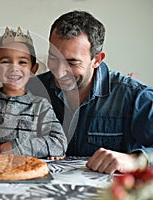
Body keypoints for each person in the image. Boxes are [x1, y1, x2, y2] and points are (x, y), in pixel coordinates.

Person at [29, 10, 153, 174]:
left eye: (72, 63)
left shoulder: (134, 96)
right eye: (53, 58)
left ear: (97, 60)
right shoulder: (30, 90)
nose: (59, 72)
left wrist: (136, 160)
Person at [0, 27, 67, 158]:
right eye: (5, 62)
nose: (14, 68)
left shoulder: (40, 106)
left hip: (27, 169)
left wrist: (17, 147)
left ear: (33, 69)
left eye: (22, 62)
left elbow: (60, 142)